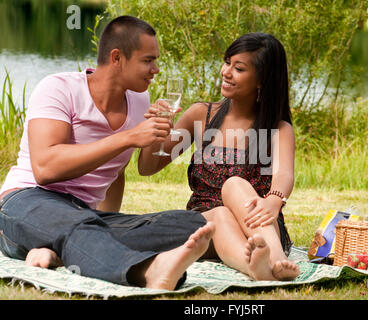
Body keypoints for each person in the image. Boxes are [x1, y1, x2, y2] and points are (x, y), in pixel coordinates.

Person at [0, 15, 216, 291]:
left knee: (190, 223)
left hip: (85, 215)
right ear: (117, 58)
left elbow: (127, 171)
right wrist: (127, 138)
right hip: (26, 201)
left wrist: (156, 137)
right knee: (80, 225)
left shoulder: (139, 100)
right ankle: (147, 270)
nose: (156, 69)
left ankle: (61, 249)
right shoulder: (58, 88)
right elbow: (45, 169)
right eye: (148, 60)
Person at [140, 32, 299, 281]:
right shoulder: (199, 116)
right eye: (227, 62)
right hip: (205, 224)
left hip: (259, 228)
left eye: (239, 68)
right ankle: (255, 267)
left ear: (261, 79)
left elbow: (284, 173)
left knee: (234, 184)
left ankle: (276, 256)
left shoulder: (278, 128)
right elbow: (147, 167)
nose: (226, 72)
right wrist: (154, 130)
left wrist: (274, 201)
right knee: (221, 215)